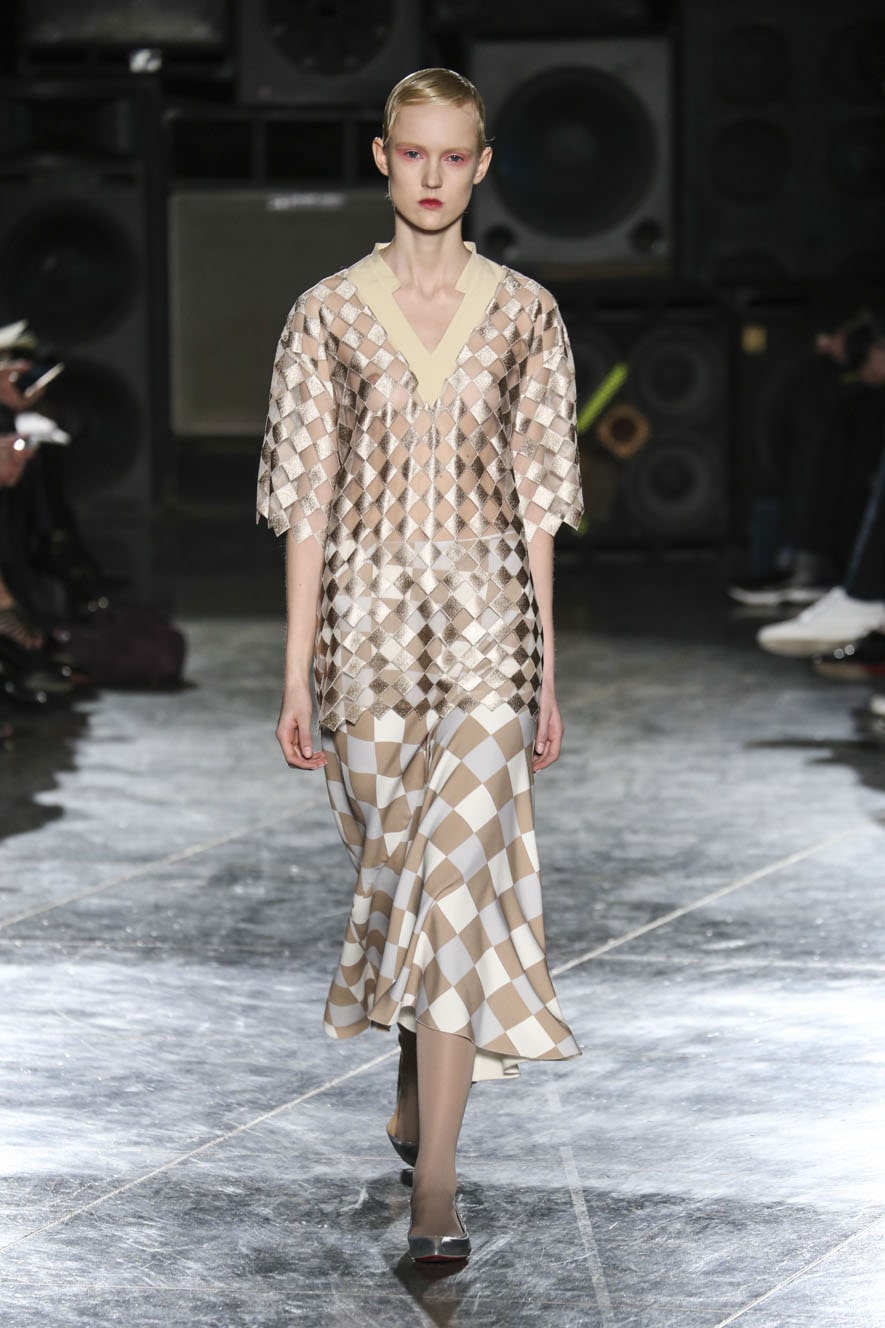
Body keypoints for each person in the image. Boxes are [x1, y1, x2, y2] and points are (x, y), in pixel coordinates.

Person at [256, 68, 583, 1263]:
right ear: (383, 157)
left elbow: (540, 503)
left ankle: (435, 1188)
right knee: (405, 885)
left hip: (491, 640)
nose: (433, 176)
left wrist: (546, 670)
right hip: (368, 648)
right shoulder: (327, 315)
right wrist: (297, 671)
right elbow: (306, 503)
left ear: (482, 165)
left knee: (448, 890)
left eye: (455, 156)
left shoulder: (528, 313)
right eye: (414, 153)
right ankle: (417, 1077)